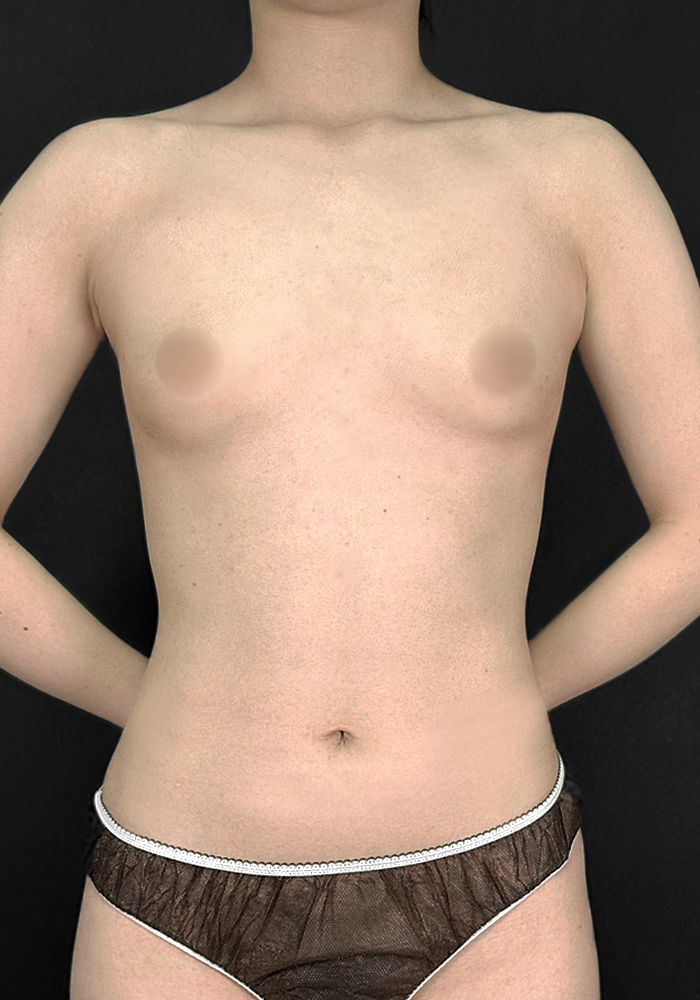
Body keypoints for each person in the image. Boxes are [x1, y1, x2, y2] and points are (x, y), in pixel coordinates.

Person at [2, 1, 700, 997]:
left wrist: (500, 689)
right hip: (174, 874)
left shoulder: (572, 175)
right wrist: (145, 698)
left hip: (497, 878)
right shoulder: (103, 179)